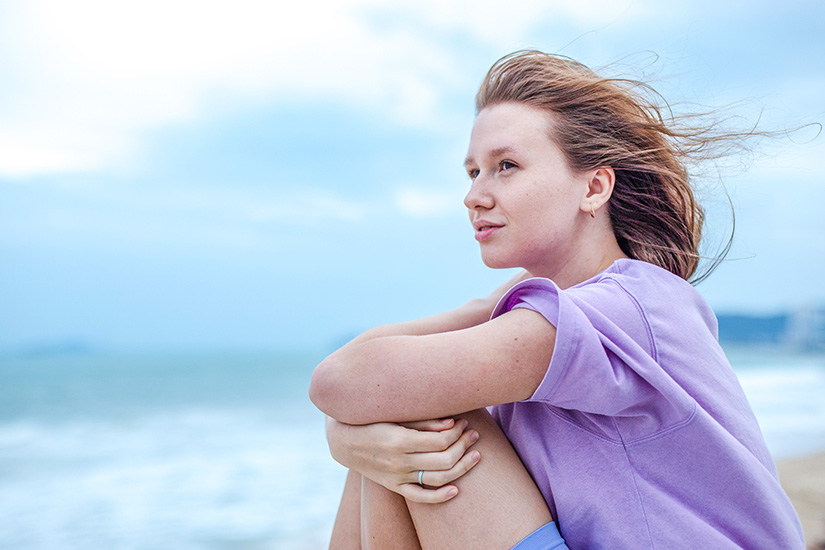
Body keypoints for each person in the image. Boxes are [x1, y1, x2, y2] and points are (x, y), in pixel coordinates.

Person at [309, 50, 805, 549]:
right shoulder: (569, 318)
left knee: (426, 413)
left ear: (593, 187)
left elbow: (341, 379)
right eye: (472, 172)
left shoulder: (624, 306)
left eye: (506, 166)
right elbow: (352, 382)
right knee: (408, 414)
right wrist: (356, 439)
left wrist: (481, 312)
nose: (474, 195)